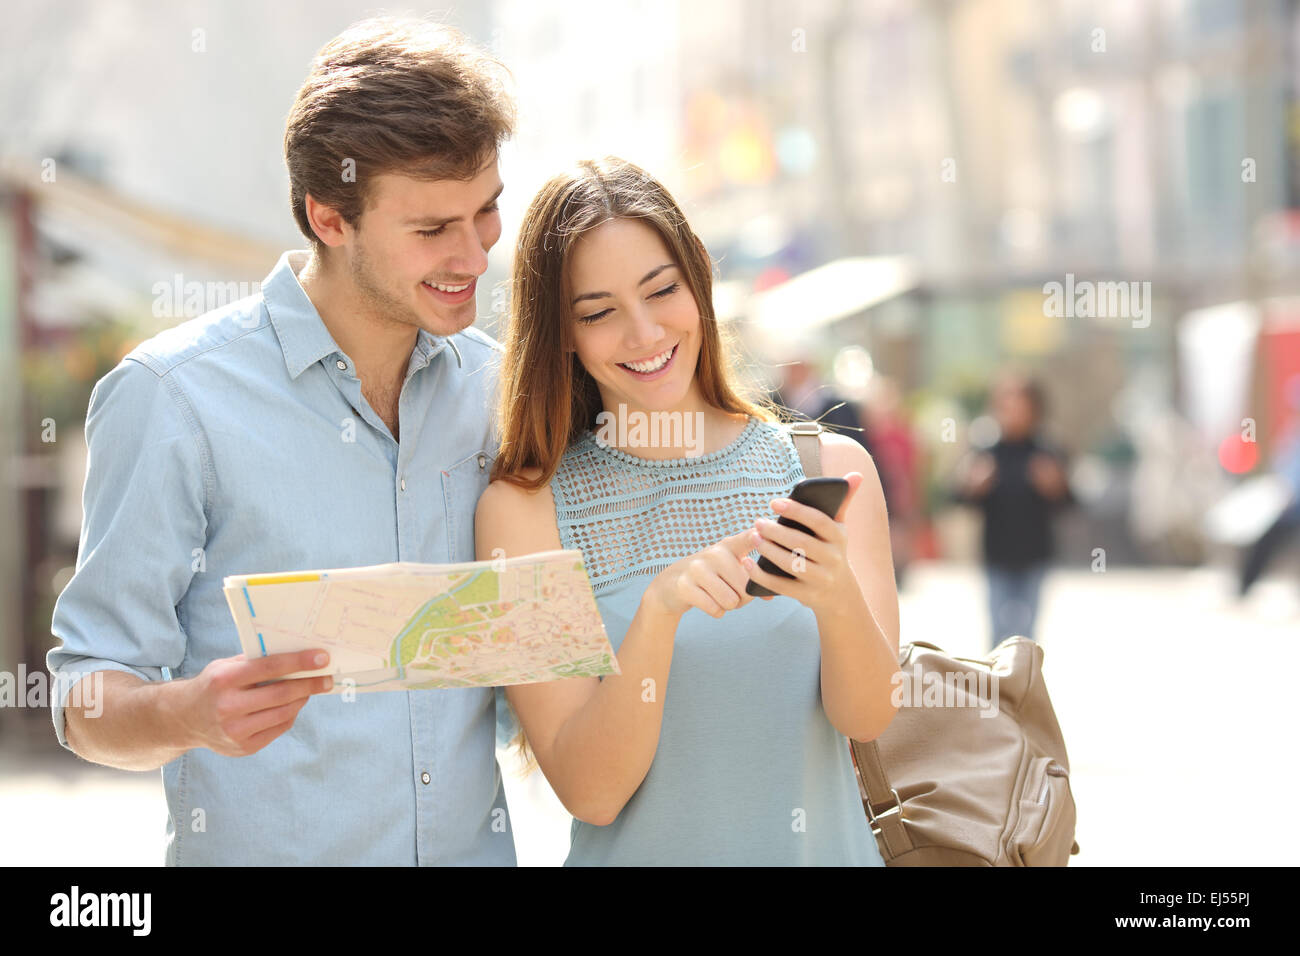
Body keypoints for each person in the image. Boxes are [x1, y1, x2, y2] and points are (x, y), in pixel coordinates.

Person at [46, 17, 518, 865]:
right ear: (328, 217)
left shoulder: (497, 390)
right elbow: (87, 692)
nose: (474, 254)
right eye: (431, 228)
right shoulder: (173, 399)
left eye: (485, 212)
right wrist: (184, 714)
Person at [475, 157, 901, 865]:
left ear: (698, 276)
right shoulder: (520, 514)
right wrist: (660, 612)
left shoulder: (830, 469)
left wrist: (835, 598)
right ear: (562, 334)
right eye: (598, 312)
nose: (643, 334)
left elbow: (870, 718)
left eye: (659, 290)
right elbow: (591, 792)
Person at [952, 372, 1074, 649]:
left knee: (1026, 635)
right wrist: (974, 486)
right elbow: (957, 498)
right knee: (998, 632)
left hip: (1035, 554)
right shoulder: (986, 450)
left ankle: (1023, 690)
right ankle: (998, 690)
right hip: (996, 554)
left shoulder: (1048, 450)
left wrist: (1055, 486)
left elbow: (1070, 502)